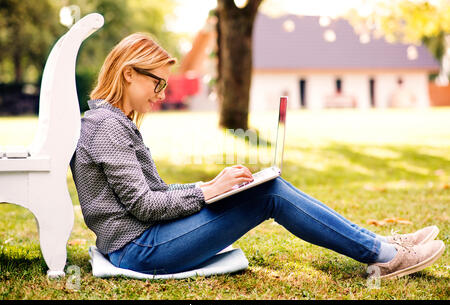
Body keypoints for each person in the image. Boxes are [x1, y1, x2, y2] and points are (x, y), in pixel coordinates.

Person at [70, 33, 445, 280]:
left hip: (145, 239)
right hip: (138, 250)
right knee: (270, 193)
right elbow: (145, 207)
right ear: (129, 74)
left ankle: (383, 245)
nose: (162, 93)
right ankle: (383, 254)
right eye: (158, 82)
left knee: (266, 187)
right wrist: (207, 192)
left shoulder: (113, 122)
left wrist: (211, 186)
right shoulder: (105, 126)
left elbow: (151, 195)